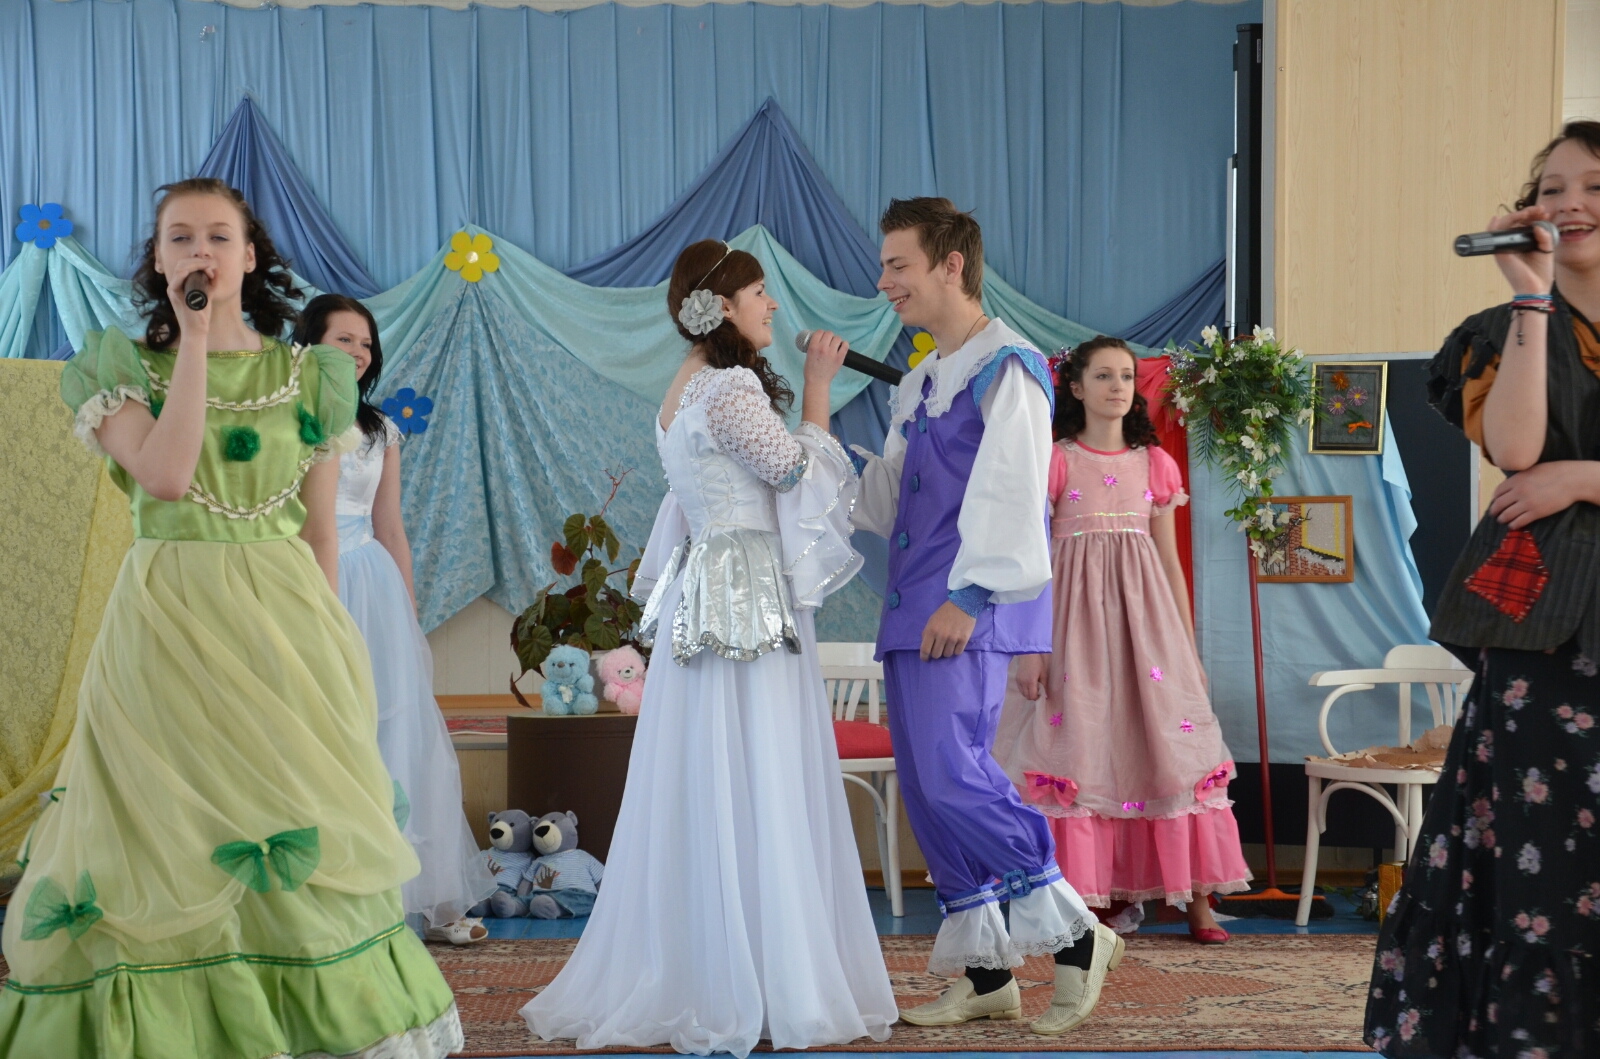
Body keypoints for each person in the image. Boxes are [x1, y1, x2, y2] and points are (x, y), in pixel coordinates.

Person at [0, 178, 460, 1058]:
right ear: (159, 257)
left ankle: (300, 1019)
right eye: (180, 237)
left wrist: (330, 651)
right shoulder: (118, 367)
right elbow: (168, 478)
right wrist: (196, 341)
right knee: (166, 819)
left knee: (283, 807)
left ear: (251, 255)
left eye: (218, 236)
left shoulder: (311, 377)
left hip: (283, 617)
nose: (200, 252)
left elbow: (320, 533)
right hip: (168, 619)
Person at [520, 239, 897, 1057]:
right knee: (762, 766)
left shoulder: (682, 389)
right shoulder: (728, 386)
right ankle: (764, 975)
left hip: (708, 586)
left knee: (718, 770)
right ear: (722, 305)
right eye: (760, 292)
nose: (771, 306)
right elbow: (793, 472)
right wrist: (821, 388)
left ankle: (717, 962)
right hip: (746, 591)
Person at [844, 198, 1114, 1036]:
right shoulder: (925, 379)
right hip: (912, 605)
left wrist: (969, 596)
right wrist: (812, 460)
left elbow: (1013, 489)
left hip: (965, 604)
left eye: (898, 264)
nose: (884, 281)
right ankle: (989, 973)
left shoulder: (1009, 366)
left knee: (954, 774)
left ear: (950, 264)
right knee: (929, 793)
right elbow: (890, 500)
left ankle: (1077, 934)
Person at [1364, 121, 1600, 1056]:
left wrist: (1583, 480)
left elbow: (1550, 471)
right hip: (1543, 635)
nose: (1571, 203)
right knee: (1538, 854)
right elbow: (1514, 448)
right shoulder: (1499, 333)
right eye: (1552, 189)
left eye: (1594, 185)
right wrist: (1531, 297)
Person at [991, 336, 1250, 945]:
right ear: (1077, 387)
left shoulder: (1155, 464)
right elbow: (1030, 561)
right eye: (1103, 376)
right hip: (1070, 629)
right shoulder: (1054, 460)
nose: (1117, 387)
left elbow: (1170, 564)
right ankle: (1085, 900)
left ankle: (1197, 902)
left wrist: (1187, 649)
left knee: (1169, 749)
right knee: (1078, 749)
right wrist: (1030, 647)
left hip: (1149, 631)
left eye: (1127, 377)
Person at [293, 293, 497, 945]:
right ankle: (332, 899)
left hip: (373, 583)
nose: (358, 353)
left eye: (366, 343)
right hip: (307, 577)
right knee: (323, 729)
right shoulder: (287, 417)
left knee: (398, 732)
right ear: (309, 344)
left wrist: (407, 616)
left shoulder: (380, 429)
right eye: (343, 339)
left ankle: (420, 896)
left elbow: (391, 527)